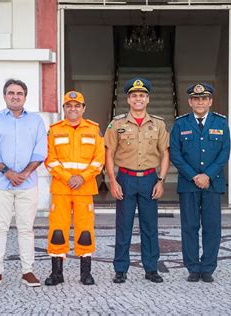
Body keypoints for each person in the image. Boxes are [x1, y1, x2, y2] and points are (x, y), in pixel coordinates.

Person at [104, 78, 170, 284]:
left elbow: (165, 153)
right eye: (134, 96)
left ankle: (151, 268)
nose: (138, 99)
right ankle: (121, 269)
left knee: (150, 226)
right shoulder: (117, 123)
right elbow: (109, 153)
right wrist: (112, 181)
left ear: (148, 99)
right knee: (123, 225)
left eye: (142, 95)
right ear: (129, 99)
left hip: (150, 179)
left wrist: (161, 180)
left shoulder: (158, 124)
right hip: (125, 179)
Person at [0, 79, 47, 288]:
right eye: (11, 93)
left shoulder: (36, 121)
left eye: (20, 93)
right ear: (4, 96)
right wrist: (8, 173)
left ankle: (27, 271)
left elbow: (41, 151)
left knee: (26, 228)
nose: (15, 96)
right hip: (0, 183)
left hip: (28, 184)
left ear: (25, 97)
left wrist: (25, 173)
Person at [169, 83, 230, 283]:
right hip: (189, 184)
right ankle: (193, 268)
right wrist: (194, 176)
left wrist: (207, 175)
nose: (200, 102)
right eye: (196, 99)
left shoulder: (221, 123)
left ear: (210, 101)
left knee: (212, 227)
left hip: (213, 184)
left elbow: (224, 153)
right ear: (190, 102)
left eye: (204, 98)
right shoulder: (180, 124)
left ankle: (208, 268)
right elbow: (176, 154)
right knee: (189, 226)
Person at [43, 91, 105, 286]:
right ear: (64, 108)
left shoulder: (94, 130)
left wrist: (82, 177)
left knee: (85, 231)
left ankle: (85, 273)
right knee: (57, 230)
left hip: (84, 189)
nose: (73, 108)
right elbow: (49, 160)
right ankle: (57, 274)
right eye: (69, 105)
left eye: (77, 105)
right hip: (61, 188)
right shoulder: (54, 130)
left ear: (83, 108)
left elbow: (99, 160)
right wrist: (69, 178)